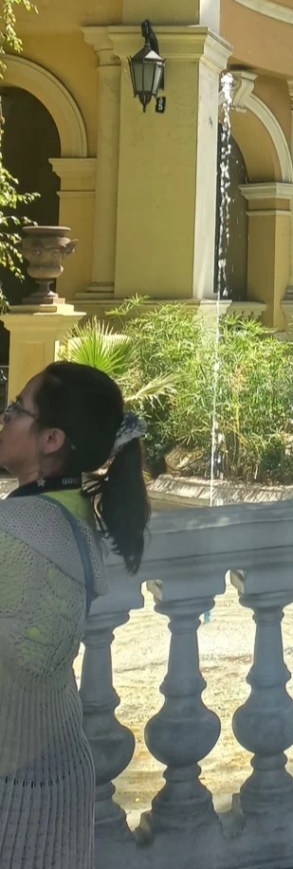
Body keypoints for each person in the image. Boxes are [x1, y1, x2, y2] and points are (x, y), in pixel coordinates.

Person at [0, 362, 150, 869]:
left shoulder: (17, 526)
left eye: (18, 409)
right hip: (58, 771)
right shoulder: (73, 510)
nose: (6, 415)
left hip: (13, 791)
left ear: (51, 439)